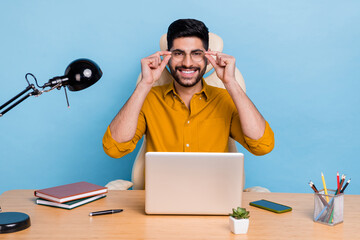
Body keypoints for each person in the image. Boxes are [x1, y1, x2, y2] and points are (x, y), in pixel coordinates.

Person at [103, 19, 274, 159]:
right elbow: (114, 148)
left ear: (207, 56)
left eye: (196, 53)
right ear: (167, 56)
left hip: (214, 196)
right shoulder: (149, 98)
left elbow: (262, 146)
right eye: (178, 53)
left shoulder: (224, 98)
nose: (187, 62)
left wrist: (230, 82)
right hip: (163, 197)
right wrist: (144, 85)